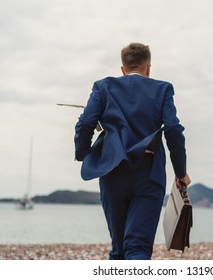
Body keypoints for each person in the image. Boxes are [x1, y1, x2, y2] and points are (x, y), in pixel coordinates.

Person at [74, 43, 191, 260]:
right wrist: (180, 172)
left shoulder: (103, 86)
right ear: (148, 68)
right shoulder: (163, 88)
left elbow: (85, 123)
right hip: (149, 173)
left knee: (118, 250)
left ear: (123, 69)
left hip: (112, 172)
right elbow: (173, 129)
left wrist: (83, 154)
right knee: (137, 248)